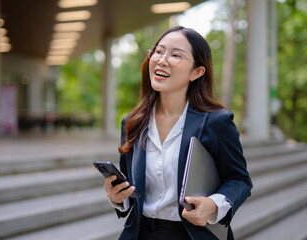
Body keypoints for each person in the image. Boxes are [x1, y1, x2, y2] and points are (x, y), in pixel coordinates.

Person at [103, 26, 252, 240]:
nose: (162, 60)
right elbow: (131, 191)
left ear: (197, 72)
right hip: (140, 234)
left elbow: (240, 180)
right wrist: (118, 197)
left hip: (192, 235)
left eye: (175, 55)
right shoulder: (133, 122)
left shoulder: (217, 122)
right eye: (158, 51)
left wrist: (213, 204)